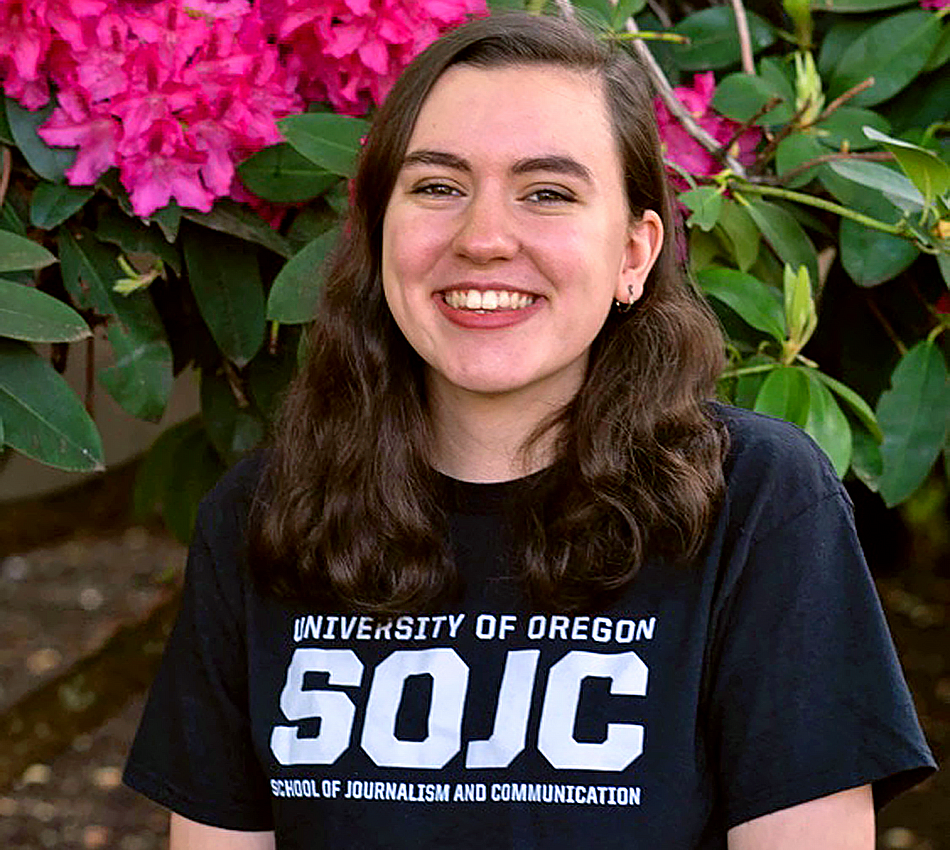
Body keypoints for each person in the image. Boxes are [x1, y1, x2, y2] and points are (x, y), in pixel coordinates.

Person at [123, 12, 936, 850]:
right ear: (376, 233)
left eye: (548, 192)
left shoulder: (755, 503)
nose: (482, 239)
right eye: (438, 187)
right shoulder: (264, 516)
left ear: (634, 252)